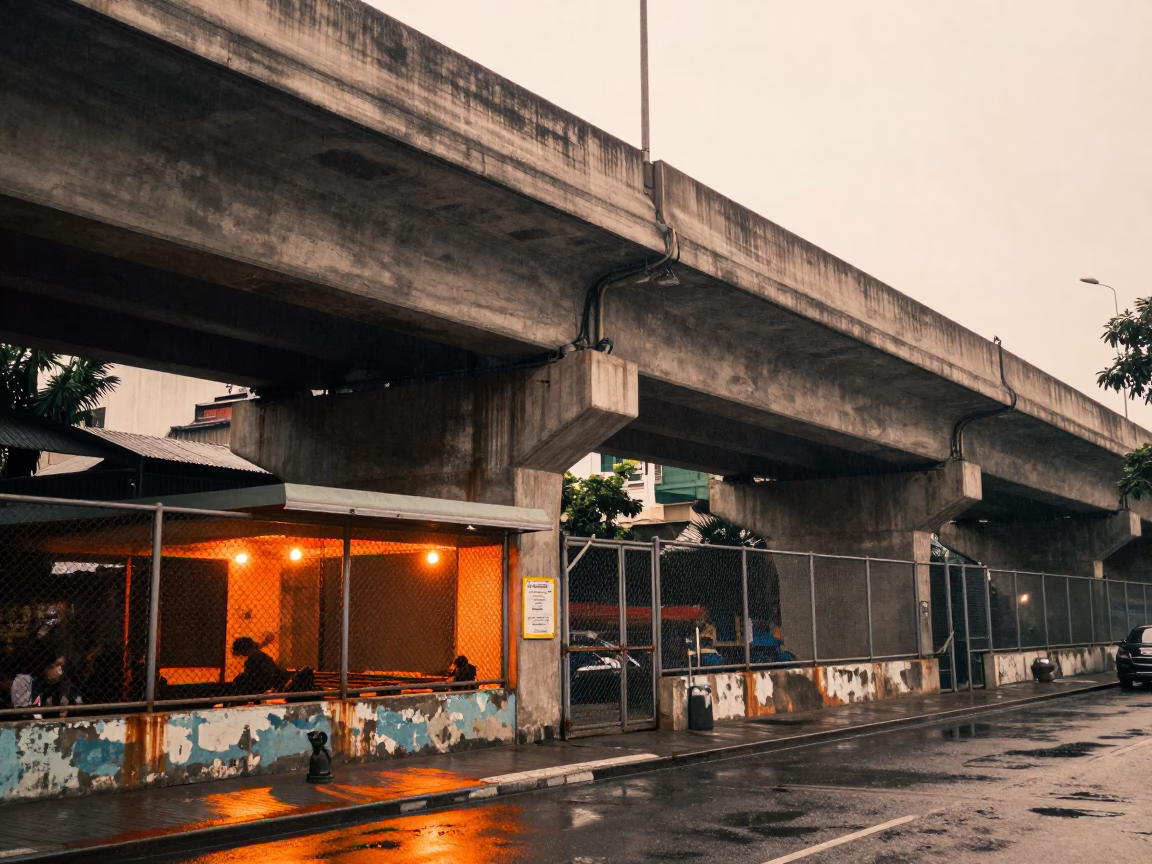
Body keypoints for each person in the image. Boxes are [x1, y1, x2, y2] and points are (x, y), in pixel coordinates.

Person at [11, 647, 79, 712]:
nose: (60, 670)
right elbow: (21, 711)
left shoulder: (62, 685)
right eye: (58, 665)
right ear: (48, 666)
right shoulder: (26, 680)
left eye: (62, 666)